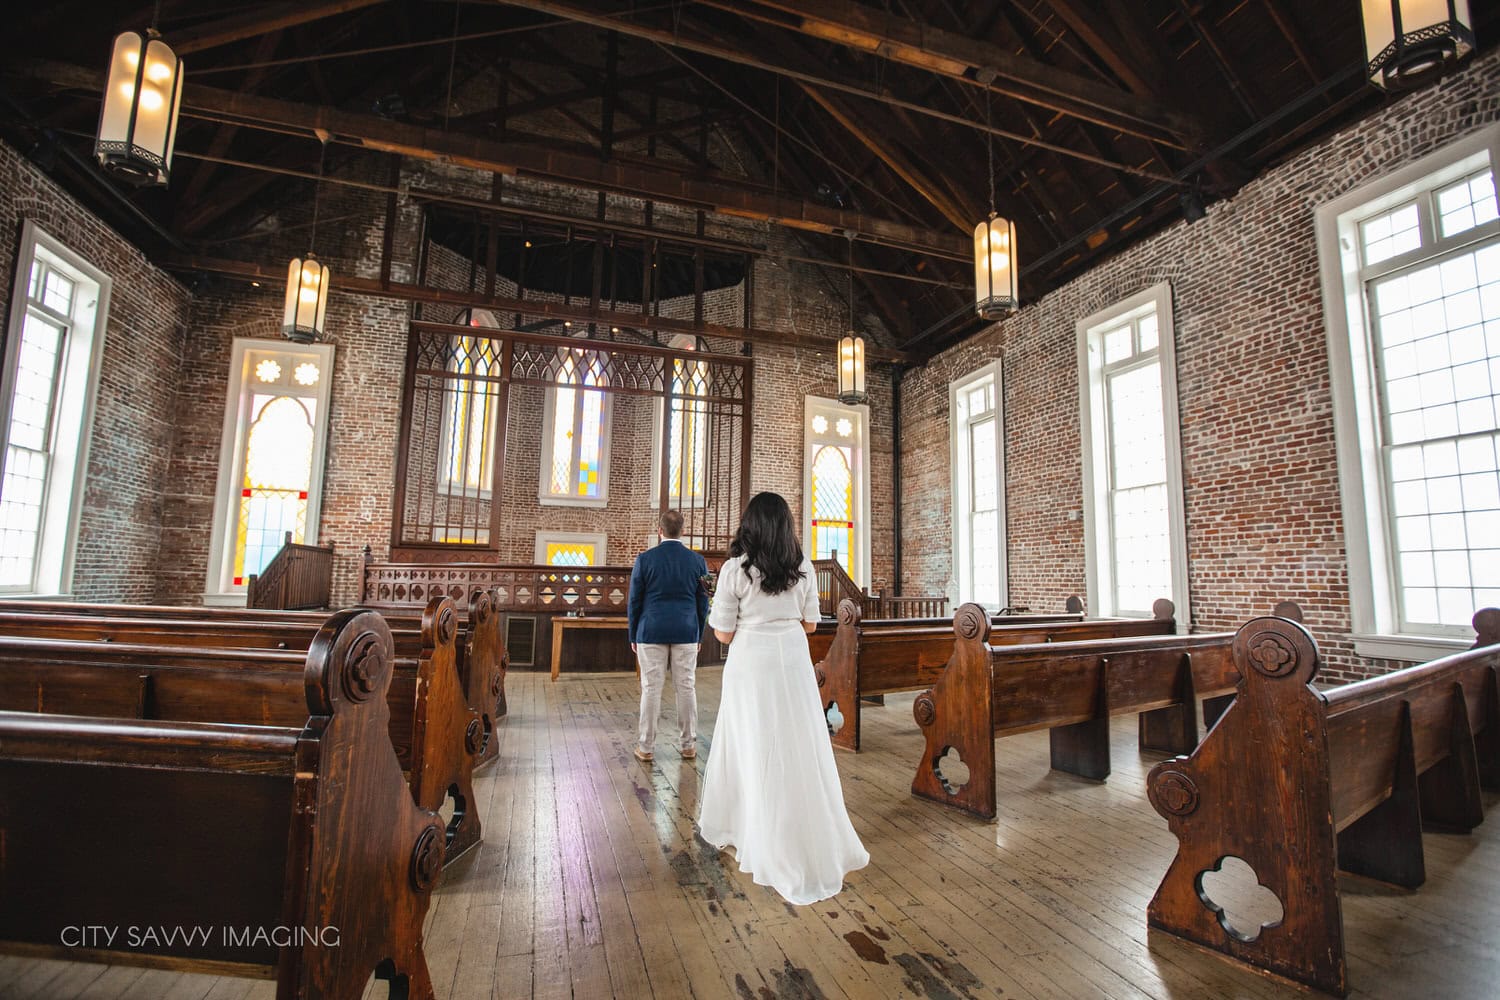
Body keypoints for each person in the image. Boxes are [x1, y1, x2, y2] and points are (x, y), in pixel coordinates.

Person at [697, 491, 869, 905]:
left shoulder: (736, 570)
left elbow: (721, 634)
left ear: (749, 524)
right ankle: (803, 830)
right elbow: (811, 624)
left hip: (751, 662)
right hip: (792, 659)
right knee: (796, 744)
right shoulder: (803, 567)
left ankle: (747, 827)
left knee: (751, 742)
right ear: (786, 526)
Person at [628, 509, 710, 763]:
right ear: (682, 531)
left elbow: (634, 600)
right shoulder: (697, 562)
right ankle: (688, 745)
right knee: (686, 686)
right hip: (686, 629)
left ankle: (646, 747)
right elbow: (703, 601)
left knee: (651, 689)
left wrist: (634, 633)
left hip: (650, 629)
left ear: (659, 531)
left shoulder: (645, 559)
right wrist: (699, 633)